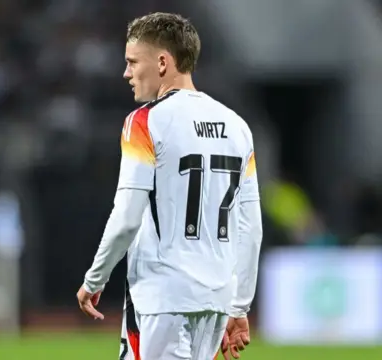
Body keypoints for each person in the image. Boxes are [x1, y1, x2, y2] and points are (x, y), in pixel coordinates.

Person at [75, 12, 263, 360]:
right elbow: (250, 228)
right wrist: (240, 306)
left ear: (162, 62)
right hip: (217, 301)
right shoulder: (238, 128)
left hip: (164, 297)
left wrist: (95, 278)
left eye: (133, 62)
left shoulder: (145, 122)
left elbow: (127, 218)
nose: (126, 73)